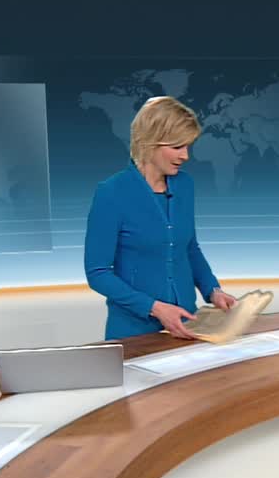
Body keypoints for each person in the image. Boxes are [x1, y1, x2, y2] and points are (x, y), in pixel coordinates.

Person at [84, 96, 237, 340]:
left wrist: (213, 291)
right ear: (149, 143)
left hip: (187, 326)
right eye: (177, 147)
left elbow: (189, 248)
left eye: (188, 146)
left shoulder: (185, 185)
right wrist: (154, 308)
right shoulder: (111, 193)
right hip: (134, 333)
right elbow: (98, 272)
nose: (185, 156)